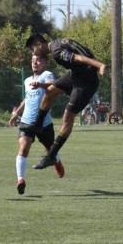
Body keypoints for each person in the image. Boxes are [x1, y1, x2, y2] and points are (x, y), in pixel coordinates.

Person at [22, 33, 106, 170]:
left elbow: (79, 57)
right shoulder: (58, 42)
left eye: (33, 50)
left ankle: (51, 156)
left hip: (86, 83)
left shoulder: (56, 51)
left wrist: (99, 65)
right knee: (49, 91)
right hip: (76, 75)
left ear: (39, 44)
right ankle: (37, 125)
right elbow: (84, 50)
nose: (34, 53)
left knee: (68, 116)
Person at [8, 54, 64, 195]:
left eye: (38, 60)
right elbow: (27, 98)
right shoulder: (27, 80)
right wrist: (17, 113)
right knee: (24, 147)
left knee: (50, 150)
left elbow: (53, 86)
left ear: (45, 63)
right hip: (27, 122)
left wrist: (40, 85)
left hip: (44, 122)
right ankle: (21, 180)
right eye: (32, 60)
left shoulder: (47, 75)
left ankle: (56, 160)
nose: (35, 62)